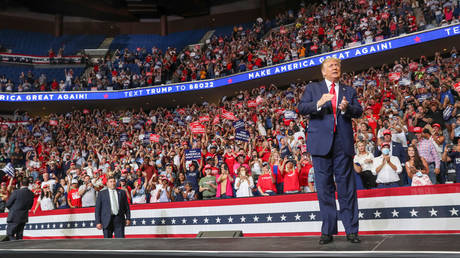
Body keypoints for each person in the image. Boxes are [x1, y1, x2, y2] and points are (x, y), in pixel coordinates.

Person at [298, 57, 362, 244]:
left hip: (343, 144)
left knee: (347, 188)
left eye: (337, 65)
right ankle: (327, 230)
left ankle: (351, 230)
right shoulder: (313, 88)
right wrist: (318, 103)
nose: (335, 67)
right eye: (331, 65)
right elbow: (301, 107)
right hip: (320, 145)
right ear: (324, 72)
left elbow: (359, 110)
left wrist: (347, 108)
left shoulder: (349, 90)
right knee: (324, 189)